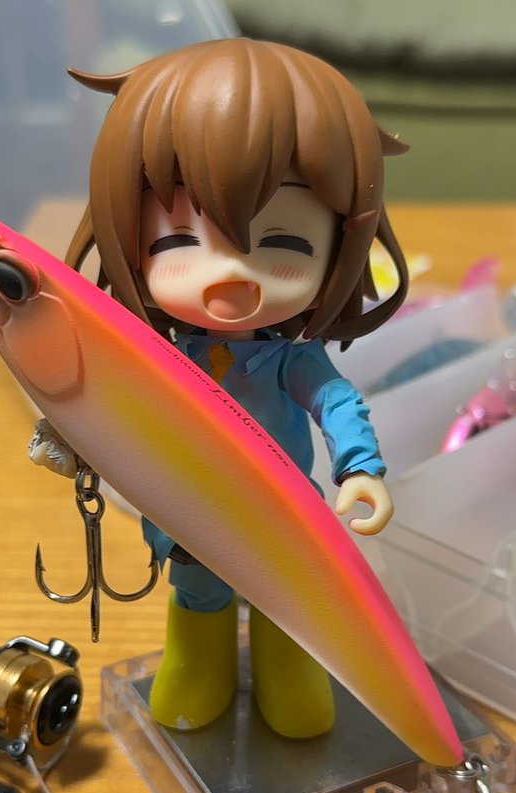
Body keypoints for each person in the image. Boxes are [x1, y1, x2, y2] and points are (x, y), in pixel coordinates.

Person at [32, 37, 410, 738]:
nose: (231, 278)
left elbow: (336, 401)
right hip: (190, 518)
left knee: (284, 599)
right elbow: (115, 409)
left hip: (281, 518)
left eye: (288, 244)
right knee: (198, 592)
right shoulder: (153, 359)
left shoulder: (289, 360)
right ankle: (197, 665)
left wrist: (360, 469)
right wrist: (73, 434)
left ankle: (290, 671)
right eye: (178, 243)